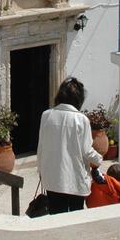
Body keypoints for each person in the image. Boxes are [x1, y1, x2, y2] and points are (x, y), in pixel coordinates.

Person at [37, 77, 103, 214]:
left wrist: (41, 171)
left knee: (56, 217)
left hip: (52, 179)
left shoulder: (46, 115)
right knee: (75, 217)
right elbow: (87, 151)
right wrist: (99, 159)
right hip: (75, 180)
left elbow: (41, 147)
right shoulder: (81, 119)